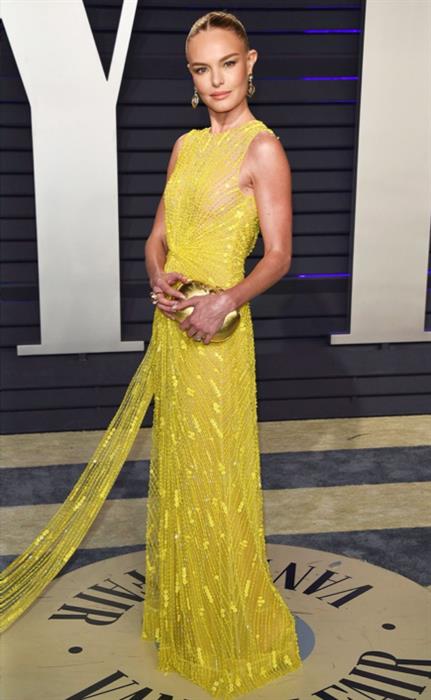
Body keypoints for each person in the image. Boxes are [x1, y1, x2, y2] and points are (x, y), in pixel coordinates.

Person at [0, 9, 302, 699]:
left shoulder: (263, 149)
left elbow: (280, 255)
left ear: (250, 63)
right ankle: (187, 617)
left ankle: (227, 627)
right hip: (173, 327)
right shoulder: (184, 147)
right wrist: (158, 276)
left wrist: (224, 301)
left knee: (215, 475)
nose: (216, 80)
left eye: (228, 63)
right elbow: (156, 238)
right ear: (191, 77)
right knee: (180, 472)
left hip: (219, 338)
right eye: (202, 69)